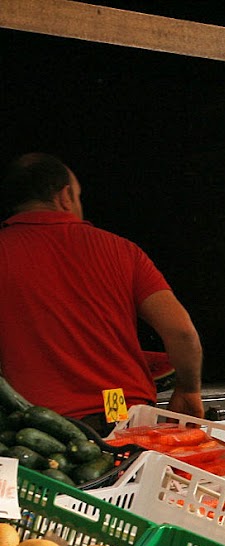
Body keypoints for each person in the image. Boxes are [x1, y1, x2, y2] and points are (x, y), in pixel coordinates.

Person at [0, 153, 203, 428]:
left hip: (39, 430)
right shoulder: (121, 250)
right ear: (66, 195)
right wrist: (189, 389)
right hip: (119, 410)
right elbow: (181, 331)